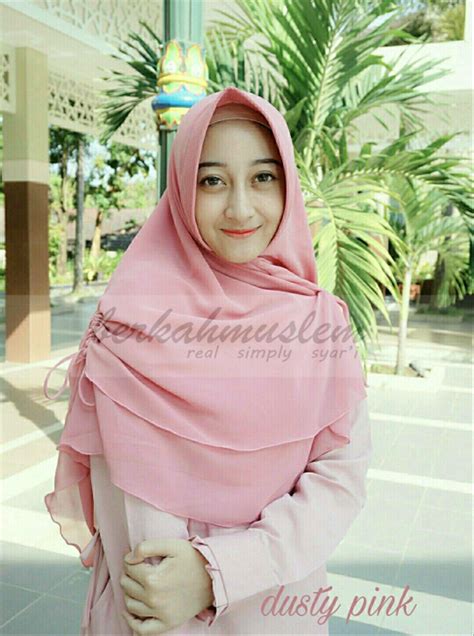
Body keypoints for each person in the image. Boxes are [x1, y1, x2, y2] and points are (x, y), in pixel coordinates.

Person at [43, 86, 372, 635]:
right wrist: (174, 592)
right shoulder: (128, 324)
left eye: (263, 177)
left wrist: (216, 574)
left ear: (288, 186)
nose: (240, 207)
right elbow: (134, 518)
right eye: (212, 181)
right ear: (180, 190)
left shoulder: (321, 324)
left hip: (275, 616)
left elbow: (339, 481)